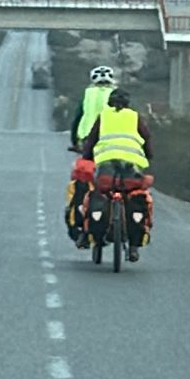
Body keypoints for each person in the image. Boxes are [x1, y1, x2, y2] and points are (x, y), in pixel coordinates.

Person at [79, 88, 155, 262]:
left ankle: (86, 233)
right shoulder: (134, 117)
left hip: (106, 165)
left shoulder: (104, 116)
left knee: (96, 193)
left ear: (109, 102)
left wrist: (87, 156)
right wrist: (149, 155)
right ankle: (134, 246)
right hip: (131, 166)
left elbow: (92, 139)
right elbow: (147, 137)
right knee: (135, 196)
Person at [64, 66, 116, 245]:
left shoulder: (88, 94)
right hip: (113, 143)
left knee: (84, 181)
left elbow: (77, 119)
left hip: (89, 143)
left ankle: (82, 229)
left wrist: (74, 141)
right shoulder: (117, 95)